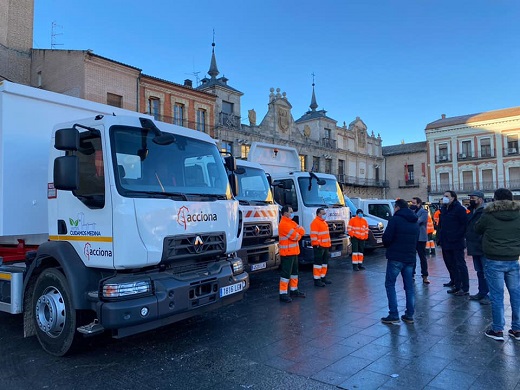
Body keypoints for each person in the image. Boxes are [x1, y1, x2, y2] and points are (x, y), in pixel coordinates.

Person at [475, 188, 520, 341]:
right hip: (513, 258)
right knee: (516, 294)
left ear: (495, 199)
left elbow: (477, 229)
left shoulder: (488, 214)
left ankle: (498, 329)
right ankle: (517, 329)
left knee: (497, 295)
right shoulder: (518, 214)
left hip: (493, 259)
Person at [381, 198, 419, 324]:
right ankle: (409, 315)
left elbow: (386, 238)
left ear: (397, 207)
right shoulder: (414, 220)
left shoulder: (395, 220)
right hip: (410, 257)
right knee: (409, 287)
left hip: (396, 258)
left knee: (390, 284)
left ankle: (393, 314)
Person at [439, 190, 469, 295]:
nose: (444, 198)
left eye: (446, 196)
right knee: (451, 264)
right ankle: (456, 284)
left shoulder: (459, 209)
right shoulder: (443, 209)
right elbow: (441, 225)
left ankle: (464, 287)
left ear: (453, 198)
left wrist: (458, 235)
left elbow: (465, 224)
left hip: (456, 242)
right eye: (443, 196)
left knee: (460, 265)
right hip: (445, 241)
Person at [466, 191, 489, 304]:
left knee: (486, 272)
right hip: (474, 246)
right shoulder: (472, 210)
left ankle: (488, 295)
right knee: (479, 271)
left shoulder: (485, 211)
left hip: (482, 246)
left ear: (480, 199)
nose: (471, 200)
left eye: (473, 198)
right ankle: (481, 292)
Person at [278, 205, 306, 303]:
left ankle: (294, 290)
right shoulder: (284, 224)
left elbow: (303, 230)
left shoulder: (291, 222)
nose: (292, 213)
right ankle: (283, 294)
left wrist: (297, 232)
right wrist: (297, 232)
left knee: (294, 273)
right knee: (286, 274)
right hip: (287, 254)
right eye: (290, 211)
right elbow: (296, 236)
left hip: (294, 252)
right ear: (285, 213)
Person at [310, 208, 332, 287]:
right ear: (318, 214)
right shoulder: (315, 223)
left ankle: (323, 277)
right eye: (323, 213)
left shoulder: (324, 223)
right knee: (318, 264)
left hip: (325, 246)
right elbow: (313, 235)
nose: (324, 215)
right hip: (319, 246)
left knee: (324, 263)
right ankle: (317, 280)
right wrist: (317, 244)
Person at [410, 197, 430, 284]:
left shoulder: (424, 212)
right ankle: (411, 275)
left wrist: (411, 219)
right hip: (413, 237)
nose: (412, 205)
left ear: (419, 204)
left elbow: (419, 221)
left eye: (414, 203)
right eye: (412, 203)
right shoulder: (411, 212)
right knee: (412, 257)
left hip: (421, 238)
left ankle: (425, 276)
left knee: (422, 258)